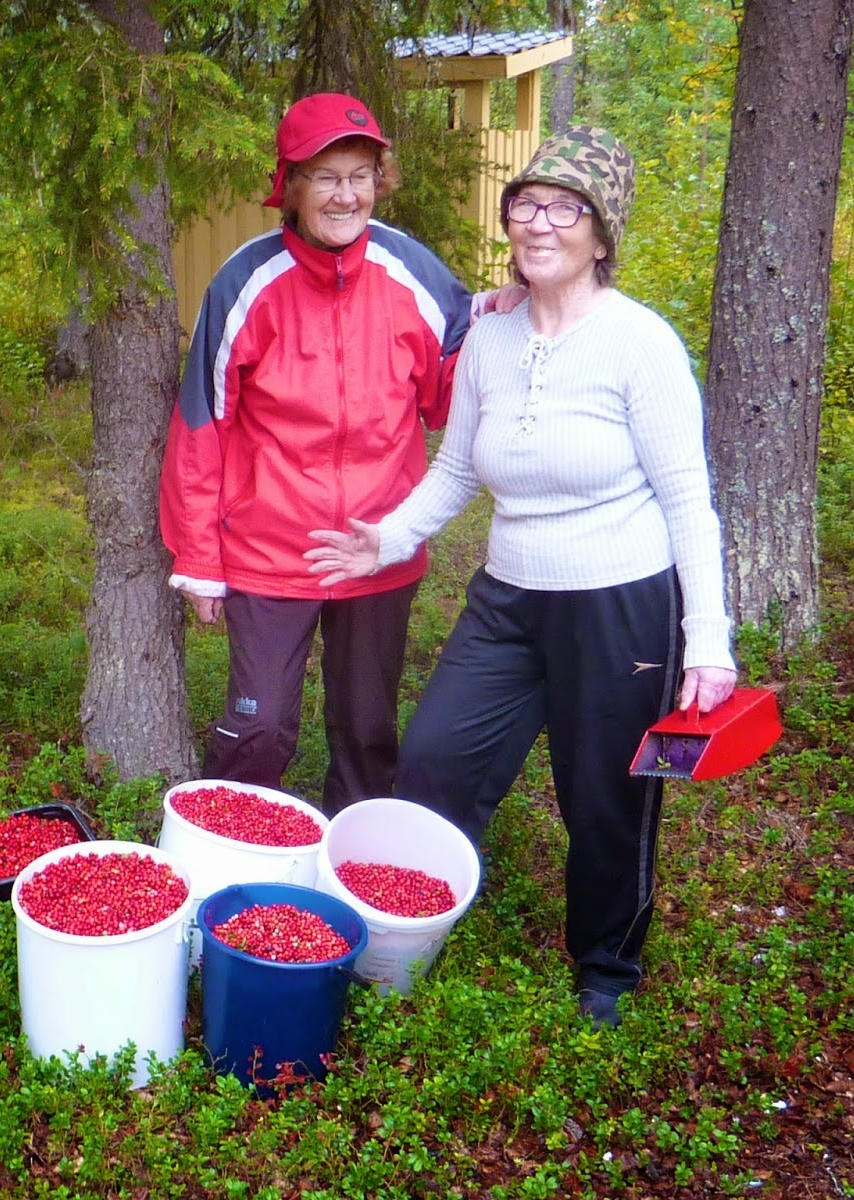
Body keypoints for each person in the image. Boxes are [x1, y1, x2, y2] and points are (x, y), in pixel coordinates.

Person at [305, 127, 737, 1027]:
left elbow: (690, 501)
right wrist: (383, 540)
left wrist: (708, 640)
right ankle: (416, 918)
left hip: (621, 604)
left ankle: (607, 969)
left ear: (601, 234)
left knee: (606, 794)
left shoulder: (640, 344)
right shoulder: (491, 337)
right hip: (506, 598)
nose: (539, 224)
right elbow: (458, 470)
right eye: (526, 205)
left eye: (565, 208)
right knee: (433, 760)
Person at [160, 93, 503, 815]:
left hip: (379, 547)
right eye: (325, 177)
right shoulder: (245, 283)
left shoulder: (413, 270)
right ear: (289, 186)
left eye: (360, 174)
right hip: (269, 552)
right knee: (259, 725)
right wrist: (198, 561)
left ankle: (351, 869)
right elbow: (201, 425)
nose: (345, 194)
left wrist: (497, 324)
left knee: (367, 731)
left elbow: (450, 396)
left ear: (380, 179)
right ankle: (236, 856)